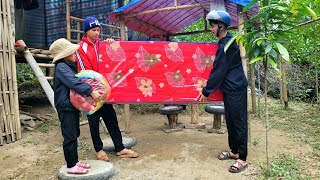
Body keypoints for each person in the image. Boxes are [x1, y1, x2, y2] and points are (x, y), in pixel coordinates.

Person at [76, 16, 139, 161]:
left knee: (111, 118)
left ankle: (120, 148)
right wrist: (93, 91)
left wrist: (111, 45)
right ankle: (98, 150)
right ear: (86, 31)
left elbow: (111, 60)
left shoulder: (102, 45)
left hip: (105, 90)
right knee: (93, 121)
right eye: (94, 30)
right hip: (90, 91)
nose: (97, 33)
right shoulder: (81, 48)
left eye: (98, 30)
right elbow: (85, 73)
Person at [199, 10, 248, 173]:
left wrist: (206, 91)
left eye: (213, 26)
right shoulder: (224, 42)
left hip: (236, 88)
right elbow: (219, 69)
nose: (211, 29)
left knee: (239, 122)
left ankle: (243, 158)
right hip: (230, 88)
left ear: (221, 26)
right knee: (231, 121)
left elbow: (219, 70)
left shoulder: (228, 43)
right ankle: (234, 152)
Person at [50, 38, 103, 174]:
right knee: (70, 136)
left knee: (74, 133)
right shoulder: (62, 67)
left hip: (70, 105)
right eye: (72, 52)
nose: (75, 54)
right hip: (65, 107)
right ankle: (71, 166)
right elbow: (74, 82)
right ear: (65, 55)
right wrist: (91, 91)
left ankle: (75, 161)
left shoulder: (66, 66)